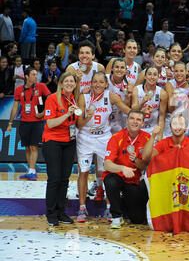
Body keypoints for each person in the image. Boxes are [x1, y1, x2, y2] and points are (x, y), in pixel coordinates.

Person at [75, 72, 131, 223]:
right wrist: (88, 116)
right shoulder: (83, 97)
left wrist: (137, 115)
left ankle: (109, 208)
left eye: (101, 82)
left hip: (104, 138)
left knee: (106, 172)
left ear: (106, 84)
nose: (97, 84)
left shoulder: (111, 96)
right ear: (91, 83)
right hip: (85, 138)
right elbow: (78, 124)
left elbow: (126, 109)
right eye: (95, 82)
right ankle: (82, 208)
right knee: (84, 172)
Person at [103, 110, 158, 229]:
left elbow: (143, 166)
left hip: (133, 180)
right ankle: (116, 216)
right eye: (132, 118)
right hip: (117, 176)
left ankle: (124, 207)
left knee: (137, 219)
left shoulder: (147, 138)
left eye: (138, 120)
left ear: (143, 123)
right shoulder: (116, 137)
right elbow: (107, 165)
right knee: (110, 180)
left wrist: (135, 161)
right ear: (127, 121)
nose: (135, 122)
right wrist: (122, 168)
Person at [41, 72, 80, 226]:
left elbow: (76, 122)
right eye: (67, 81)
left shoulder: (74, 99)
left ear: (75, 84)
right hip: (53, 141)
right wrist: (66, 115)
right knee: (54, 178)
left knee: (65, 179)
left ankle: (61, 212)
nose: (70, 83)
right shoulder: (52, 98)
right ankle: (51, 214)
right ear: (61, 83)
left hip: (69, 141)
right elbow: (50, 124)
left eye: (72, 81)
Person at [7, 67, 50, 180]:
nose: (36, 77)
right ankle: (31, 170)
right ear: (27, 77)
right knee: (27, 147)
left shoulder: (41, 86)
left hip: (37, 122)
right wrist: (10, 123)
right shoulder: (19, 89)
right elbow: (15, 106)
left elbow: (51, 100)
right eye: (33, 74)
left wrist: (43, 113)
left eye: (36, 74)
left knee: (34, 147)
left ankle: (31, 171)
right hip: (24, 122)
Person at [132, 67, 168, 142]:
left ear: (158, 77)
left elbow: (162, 116)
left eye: (155, 75)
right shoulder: (136, 89)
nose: (152, 77)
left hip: (153, 128)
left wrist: (160, 135)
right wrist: (142, 102)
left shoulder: (162, 93)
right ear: (145, 76)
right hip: (137, 127)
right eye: (149, 74)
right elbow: (133, 111)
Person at [163, 62, 189, 138]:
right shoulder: (170, 84)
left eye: (181, 71)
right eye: (176, 71)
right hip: (172, 120)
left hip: (186, 120)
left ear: (186, 72)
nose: (179, 74)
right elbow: (171, 109)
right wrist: (173, 99)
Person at [107, 58, 132, 134]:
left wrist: (127, 100)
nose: (119, 70)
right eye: (117, 67)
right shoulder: (104, 79)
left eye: (122, 68)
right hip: (103, 117)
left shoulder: (128, 86)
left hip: (117, 119)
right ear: (112, 69)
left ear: (125, 71)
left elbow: (125, 107)